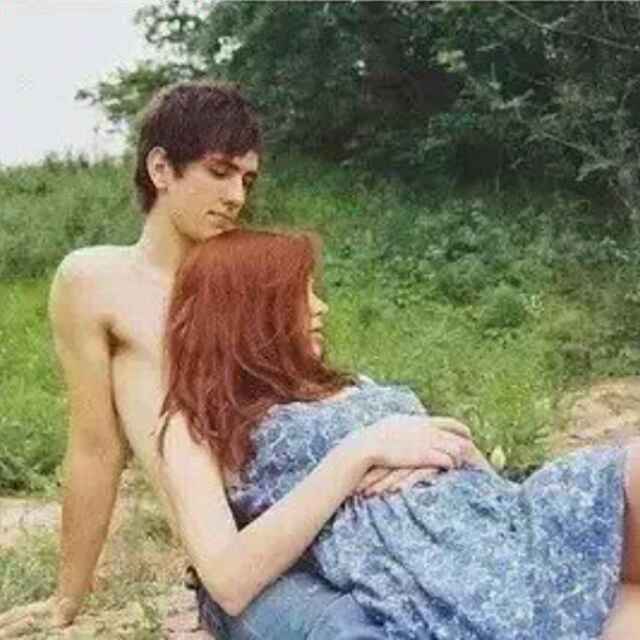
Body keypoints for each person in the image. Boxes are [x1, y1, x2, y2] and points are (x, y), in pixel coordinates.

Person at [0, 81, 476, 639]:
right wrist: (69, 596)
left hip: (320, 511)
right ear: (161, 168)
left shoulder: (248, 276)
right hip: (230, 539)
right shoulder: (96, 281)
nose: (236, 196)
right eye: (220, 172)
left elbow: (304, 404)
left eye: (246, 180)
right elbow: (94, 446)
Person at [159, 227, 640, 640]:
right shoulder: (197, 422)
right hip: (442, 571)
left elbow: (459, 463)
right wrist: (360, 453)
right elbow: (228, 582)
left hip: (505, 518)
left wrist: (462, 453)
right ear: (247, 311)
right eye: (299, 296)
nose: (321, 307)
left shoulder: (345, 384)